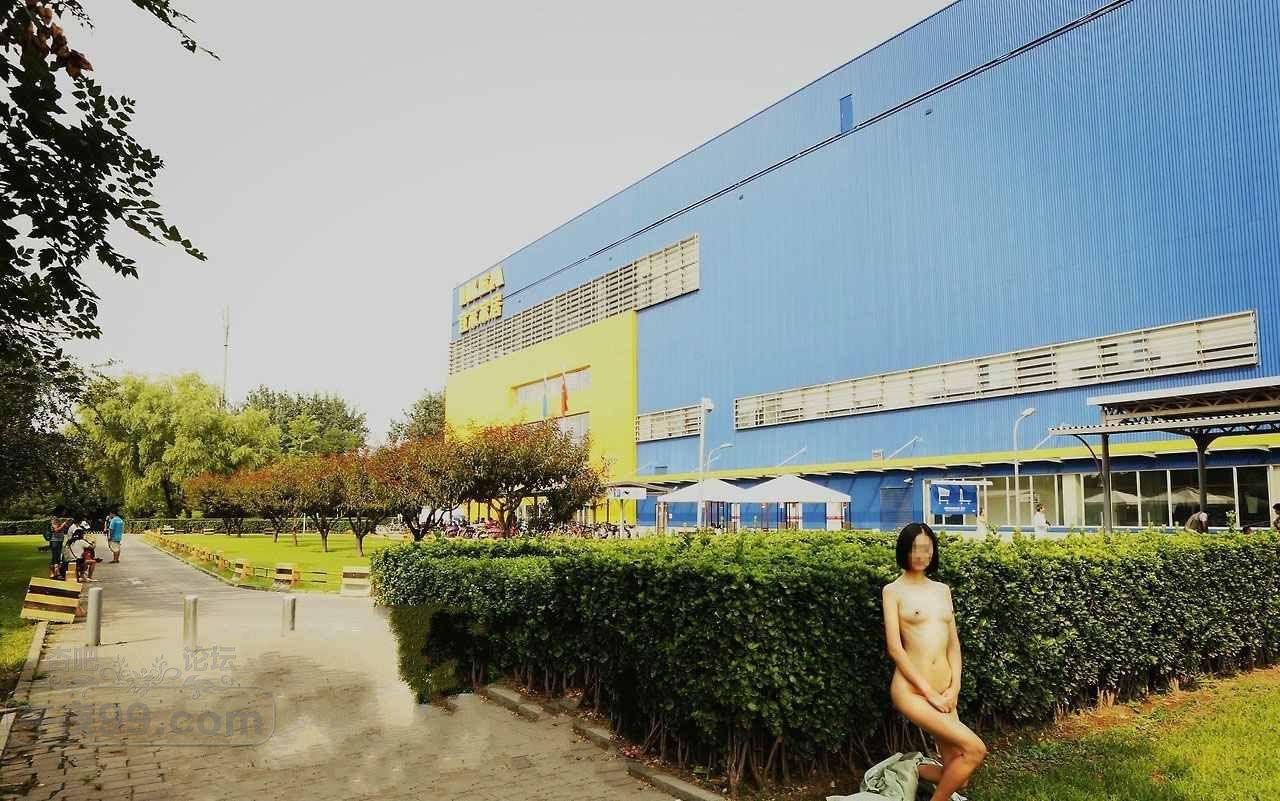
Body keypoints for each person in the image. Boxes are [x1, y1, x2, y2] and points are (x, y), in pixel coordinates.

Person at [881, 522, 986, 800]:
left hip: (944, 691)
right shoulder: (893, 591)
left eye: (926, 549)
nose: (920, 555)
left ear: (933, 551)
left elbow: (954, 645)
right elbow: (895, 649)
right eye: (914, 548)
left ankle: (908, 769)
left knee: (959, 775)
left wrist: (954, 689)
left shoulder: (942, 590)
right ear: (904, 550)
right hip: (913, 691)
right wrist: (930, 694)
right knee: (975, 750)